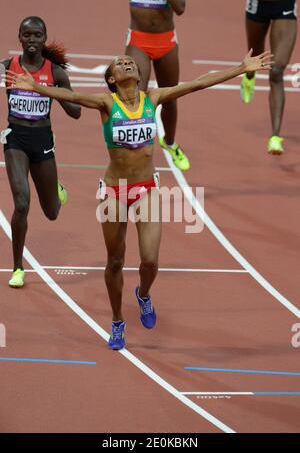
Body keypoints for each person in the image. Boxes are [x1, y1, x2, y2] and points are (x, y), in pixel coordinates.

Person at [5, 50, 273, 349]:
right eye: (119, 63)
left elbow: (197, 84)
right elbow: (74, 95)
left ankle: (143, 294)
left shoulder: (153, 98)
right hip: (114, 191)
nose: (127, 62)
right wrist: (37, 87)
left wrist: (240, 68)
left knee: (150, 260)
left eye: (129, 61)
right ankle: (118, 321)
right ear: (112, 79)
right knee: (115, 260)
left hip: (146, 189)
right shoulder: (107, 103)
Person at [0, 16, 81, 288]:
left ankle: (55, 188)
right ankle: (18, 268)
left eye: (37, 35)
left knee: (52, 212)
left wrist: (54, 92)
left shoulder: (55, 72)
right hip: (16, 140)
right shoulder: (8, 67)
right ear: (19, 38)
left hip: (43, 140)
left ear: (44, 38)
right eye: (27, 35)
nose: (32, 40)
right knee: (21, 202)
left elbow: (76, 112)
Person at [126, 0, 190, 171]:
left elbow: (180, 7)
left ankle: (169, 143)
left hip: (165, 42)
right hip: (138, 40)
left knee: (170, 98)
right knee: (136, 98)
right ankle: (137, 151)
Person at [241, 0, 297, 154]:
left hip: (285, 4)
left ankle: (275, 136)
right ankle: (250, 76)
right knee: (255, 58)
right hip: (258, 3)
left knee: (276, 72)